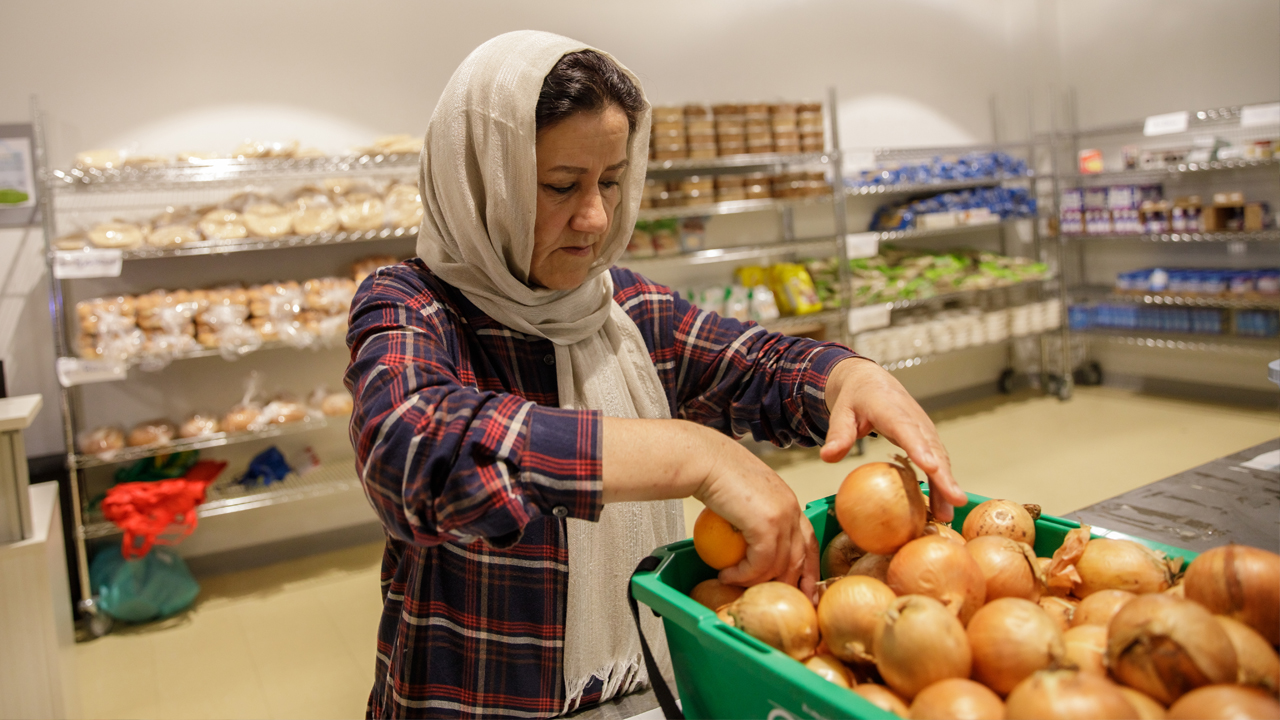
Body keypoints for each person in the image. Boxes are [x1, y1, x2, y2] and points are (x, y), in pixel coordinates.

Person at [344, 30, 966, 720]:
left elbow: (755, 363)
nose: (596, 217)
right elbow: (414, 451)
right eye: (560, 186)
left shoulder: (623, 307)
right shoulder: (410, 302)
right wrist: (688, 454)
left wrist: (844, 377)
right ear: (480, 178)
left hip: (640, 689)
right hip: (483, 700)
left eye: (611, 180)